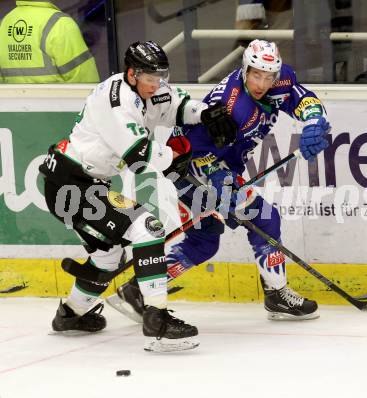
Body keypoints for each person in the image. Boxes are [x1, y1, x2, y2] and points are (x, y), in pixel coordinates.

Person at [108, 39, 331, 323]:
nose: (262, 83)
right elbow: (193, 147)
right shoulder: (231, 105)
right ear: (245, 69)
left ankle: (137, 290)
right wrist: (219, 178)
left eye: (268, 76)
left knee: (205, 240)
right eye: (256, 75)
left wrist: (313, 122)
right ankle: (277, 294)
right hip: (188, 170)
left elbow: (300, 97)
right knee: (265, 217)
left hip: (221, 167)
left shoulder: (280, 78)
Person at [38, 40, 234, 352]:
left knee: (106, 258)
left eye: (159, 77)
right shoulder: (114, 101)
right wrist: (177, 154)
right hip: (70, 185)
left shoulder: (150, 86)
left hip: (88, 183)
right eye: (149, 79)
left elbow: (178, 106)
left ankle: (70, 314)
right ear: (132, 74)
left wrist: (206, 113)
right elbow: (139, 155)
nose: (155, 85)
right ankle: (156, 317)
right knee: (148, 227)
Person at [0, 0, 99, 83]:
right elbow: (86, 80)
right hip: (59, 104)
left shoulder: (5, 22)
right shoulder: (60, 24)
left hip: (13, 104)